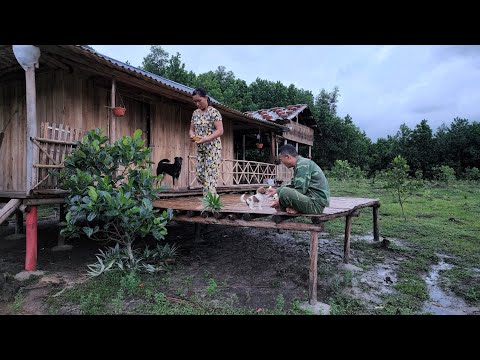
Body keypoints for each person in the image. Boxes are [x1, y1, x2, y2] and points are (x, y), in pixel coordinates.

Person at [266, 144, 330, 214]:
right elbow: (293, 185)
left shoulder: (303, 165)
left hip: (315, 205)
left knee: (284, 192)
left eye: (281, 160)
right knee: (283, 193)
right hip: (312, 200)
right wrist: (276, 191)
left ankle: (295, 208)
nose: (281, 163)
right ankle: (294, 208)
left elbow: (300, 190)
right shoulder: (299, 164)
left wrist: (279, 201)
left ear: (287, 157)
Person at [189, 87, 224, 196]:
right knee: (200, 175)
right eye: (195, 102)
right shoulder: (195, 113)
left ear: (206, 98)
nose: (197, 104)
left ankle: (210, 203)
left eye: (199, 100)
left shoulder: (214, 112)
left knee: (210, 176)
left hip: (213, 148)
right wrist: (192, 135)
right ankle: (213, 197)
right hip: (201, 149)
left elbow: (220, 130)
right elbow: (191, 129)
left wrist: (206, 138)